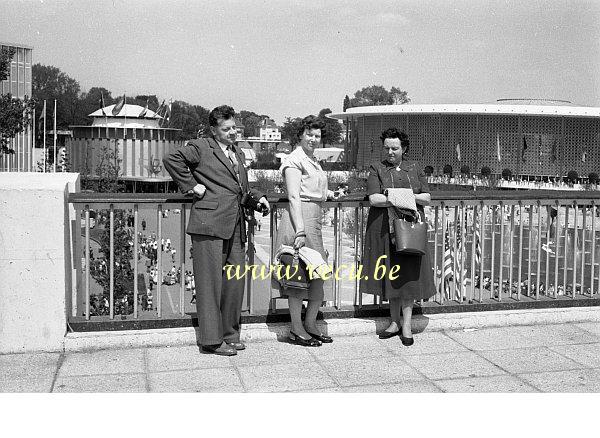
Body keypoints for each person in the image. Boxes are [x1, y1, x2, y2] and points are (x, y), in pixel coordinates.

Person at [163, 105, 269, 356]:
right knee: (209, 285)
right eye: (227, 129)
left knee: (235, 280)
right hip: (209, 224)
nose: (233, 132)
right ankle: (211, 340)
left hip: (235, 224)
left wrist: (258, 197)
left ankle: (230, 334)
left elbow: (238, 187)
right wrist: (191, 186)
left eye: (235, 127)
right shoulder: (201, 146)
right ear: (213, 129)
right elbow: (171, 159)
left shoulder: (237, 152)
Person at [360, 128, 435, 346]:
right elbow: (374, 199)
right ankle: (394, 322)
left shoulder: (415, 168)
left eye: (395, 148)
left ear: (404, 148)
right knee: (391, 273)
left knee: (409, 276)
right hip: (385, 229)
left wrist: (392, 195)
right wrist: (409, 197)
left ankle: (408, 325)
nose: (390, 152)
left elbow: (427, 197)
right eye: (387, 148)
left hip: (410, 229)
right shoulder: (377, 168)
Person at [274, 115, 342, 347]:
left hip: (313, 219)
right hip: (298, 220)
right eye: (309, 135)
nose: (314, 139)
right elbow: (294, 195)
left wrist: (330, 194)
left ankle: (311, 324)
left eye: (317, 136)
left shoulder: (312, 159)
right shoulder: (294, 160)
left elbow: (312, 189)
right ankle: (297, 328)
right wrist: (300, 231)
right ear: (300, 135)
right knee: (298, 276)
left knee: (318, 275)